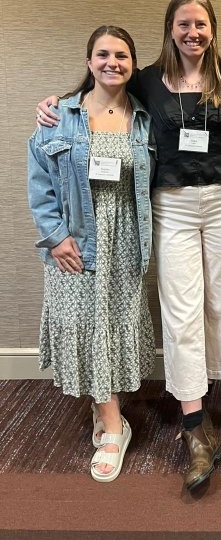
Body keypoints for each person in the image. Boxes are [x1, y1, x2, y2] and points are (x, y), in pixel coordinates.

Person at [36, 0, 221, 490]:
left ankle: (203, 389)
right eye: (184, 24)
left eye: (200, 23)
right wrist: (55, 103)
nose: (192, 32)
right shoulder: (146, 79)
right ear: (170, 29)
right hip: (172, 204)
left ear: (212, 28)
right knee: (180, 309)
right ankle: (193, 424)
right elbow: (102, 89)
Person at [28, 26, 155, 482]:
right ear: (89, 62)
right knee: (85, 324)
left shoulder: (145, 118)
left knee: (111, 325)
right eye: (102, 54)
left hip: (125, 241)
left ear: (133, 65)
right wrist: (55, 236)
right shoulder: (60, 116)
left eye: (121, 55)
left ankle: (105, 410)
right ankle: (114, 426)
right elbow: (40, 181)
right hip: (77, 241)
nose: (111, 63)